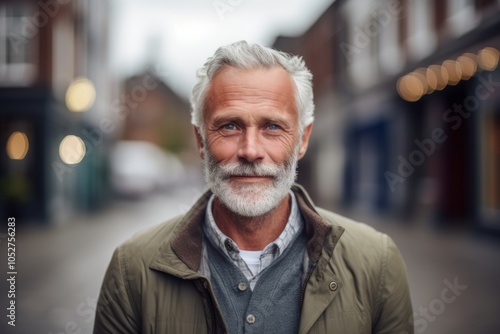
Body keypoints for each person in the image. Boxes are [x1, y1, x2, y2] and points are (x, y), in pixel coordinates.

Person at [94, 41, 414, 334]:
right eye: (229, 126)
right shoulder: (131, 270)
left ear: (302, 139)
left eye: (272, 127)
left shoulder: (377, 263)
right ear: (200, 141)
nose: (250, 150)